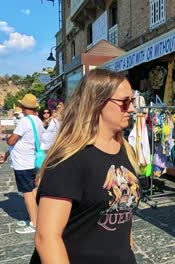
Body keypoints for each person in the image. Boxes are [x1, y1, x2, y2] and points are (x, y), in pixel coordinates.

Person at [31, 69, 139, 263]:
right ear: (98, 102)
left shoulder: (126, 150)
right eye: (125, 102)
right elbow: (46, 238)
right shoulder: (69, 160)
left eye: (133, 101)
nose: (131, 109)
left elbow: (125, 220)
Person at [2, 93, 44, 234]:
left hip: (23, 162)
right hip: (32, 160)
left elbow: (12, 140)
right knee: (33, 190)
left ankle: (33, 223)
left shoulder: (25, 121)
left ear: (23, 106)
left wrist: (7, 138)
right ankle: (37, 218)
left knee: (27, 193)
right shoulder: (37, 120)